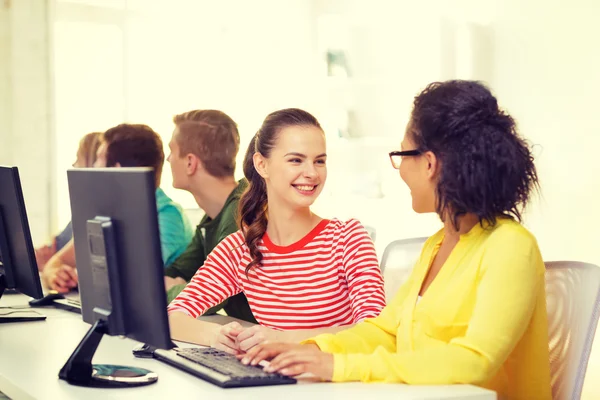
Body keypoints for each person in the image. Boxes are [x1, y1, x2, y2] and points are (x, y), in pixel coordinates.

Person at [240, 81, 552, 400]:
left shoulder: (510, 246)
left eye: (402, 155)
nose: (400, 169)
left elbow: (473, 361)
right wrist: (304, 348)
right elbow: (385, 331)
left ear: (429, 164)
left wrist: (339, 366)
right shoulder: (437, 246)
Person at [168, 108, 386, 353]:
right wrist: (216, 335)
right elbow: (174, 316)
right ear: (262, 164)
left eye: (319, 161)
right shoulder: (239, 249)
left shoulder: (348, 239)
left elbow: (375, 331)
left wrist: (285, 339)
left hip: (340, 386)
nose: (312, 173)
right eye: (296, 160)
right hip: (278, 386)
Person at [42, 124, 193, 293]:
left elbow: (134, 276)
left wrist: (76, 274)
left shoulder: (167, 216)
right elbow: (56, 262)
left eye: (99, 158)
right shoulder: (106, 211)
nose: (94, 166)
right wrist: (55, 275)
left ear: (116, 168)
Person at [163, 109, 256, 323]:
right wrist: (179, 284)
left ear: (190, 162)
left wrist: (173, 288)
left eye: (171, 151)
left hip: (283, 347)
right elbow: (176, 270)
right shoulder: (212, 218)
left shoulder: (242, 213)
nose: (167, 159)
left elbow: (205, 301)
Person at [35, 131, 102, 270]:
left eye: (78, 158)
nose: (74, 164)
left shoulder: (95, 215)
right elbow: (52, 249)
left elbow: (52, 258)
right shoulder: (83, 211)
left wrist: (49, 263)